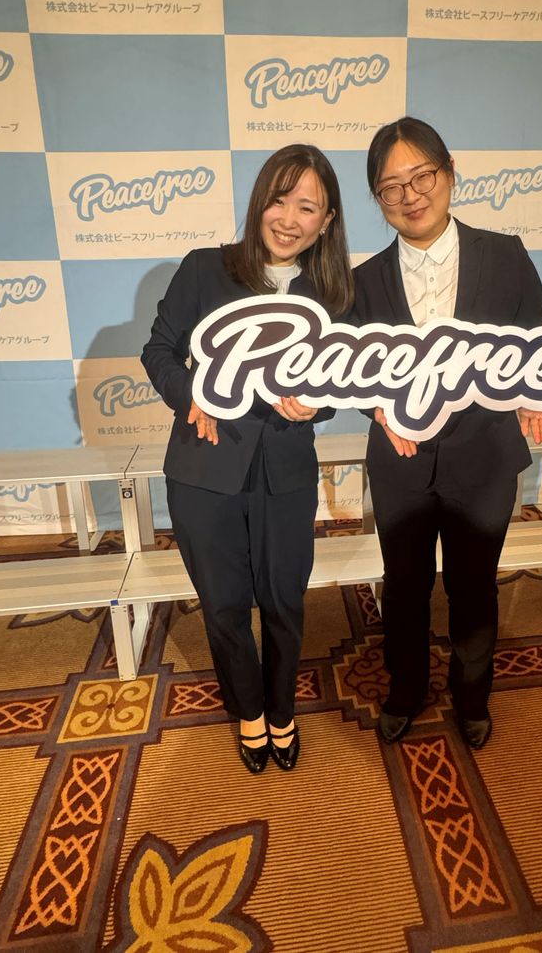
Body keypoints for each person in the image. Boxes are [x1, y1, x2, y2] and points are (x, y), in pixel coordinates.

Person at [352, 117, 542, 749]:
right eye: (391, 187)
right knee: (404, 586)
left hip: (485, 456)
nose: (410, 195)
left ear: (449, 173)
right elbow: (355, 374)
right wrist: (375, 408)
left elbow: (536, 341)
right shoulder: (363, 281)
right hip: (400, 460)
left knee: (474, 585)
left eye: (422, 176)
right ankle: (405, 689)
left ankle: (473, 696)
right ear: (378, 199)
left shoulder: (505, 255)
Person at [141, 145, 353, 773]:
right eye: (278, 201)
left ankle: (282, 711)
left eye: (307, 207)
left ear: (327, 220)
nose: (288, 219)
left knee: (285, 601)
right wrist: (192, 396)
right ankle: (250, 714)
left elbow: (340, 381)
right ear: (260, 202)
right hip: (204, 467)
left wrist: (316, 404)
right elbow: (159, 350)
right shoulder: (205, 269)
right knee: (225, 603)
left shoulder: (334, 291)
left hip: (285, 472)